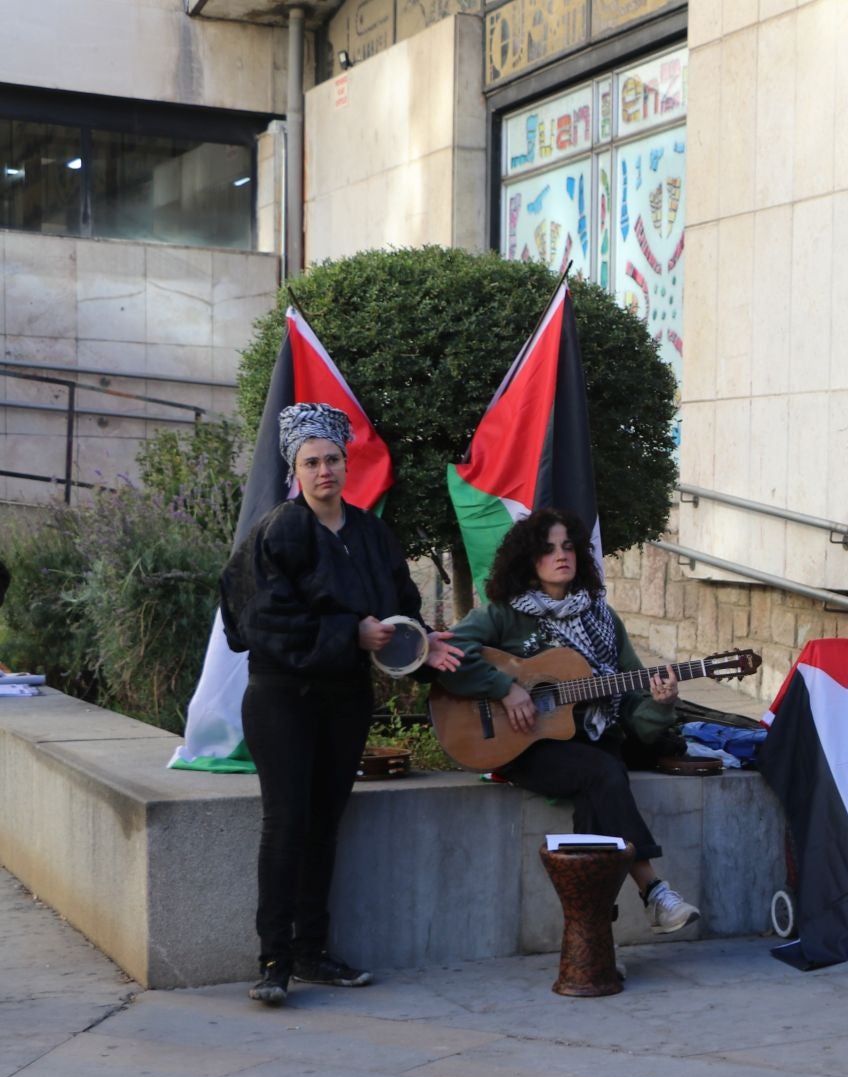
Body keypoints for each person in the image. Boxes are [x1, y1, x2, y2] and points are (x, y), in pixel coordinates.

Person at [220, 403, 462, 1008]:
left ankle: (312, 952)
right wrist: (349, 634)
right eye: (311, 461)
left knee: (325, 824)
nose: (324, 469)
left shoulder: (372, 535)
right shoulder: (278, 531)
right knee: (286, 824)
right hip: (281, 695)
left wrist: (421, 642)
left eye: (332, 458)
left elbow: (400, 605)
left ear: (345, 463)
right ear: (294, 470)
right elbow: (257, 622)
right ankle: (273, 959)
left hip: (345, 696)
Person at [437, 509, 701, 940]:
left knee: (600, 777)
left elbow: (632, 704)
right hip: (521, 747)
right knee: (602, 772)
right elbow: (449, 656)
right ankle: (653, 890)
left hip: (592, 740)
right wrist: (506, 688)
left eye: (568, 546)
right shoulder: (504, 616)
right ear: (528, 558)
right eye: (548, 548)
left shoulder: (602, 618)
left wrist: (661, 704)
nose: (561, 555)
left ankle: (591, 924)